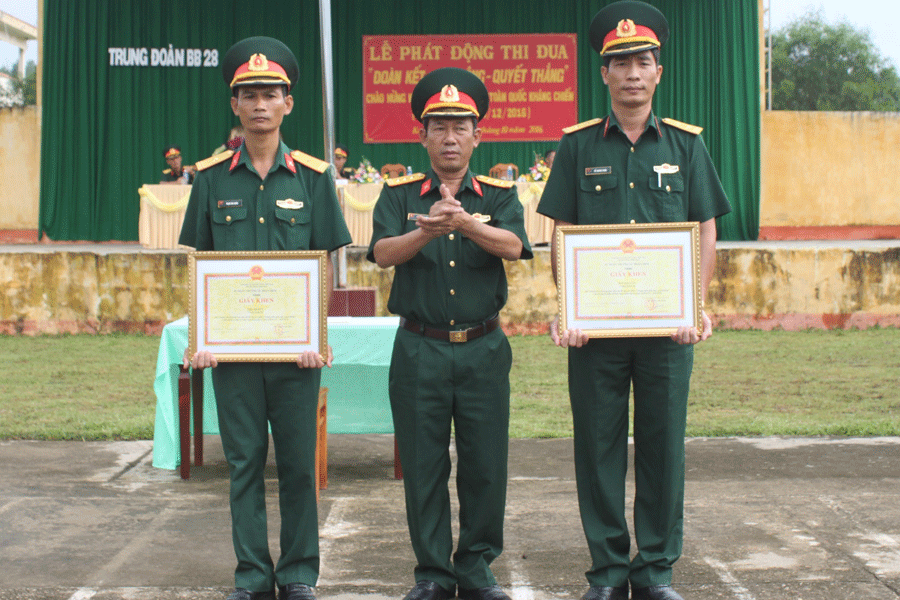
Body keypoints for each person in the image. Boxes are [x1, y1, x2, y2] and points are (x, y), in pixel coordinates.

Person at [536, 3, 732, 600]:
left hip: (666, 334)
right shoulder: (574, 148)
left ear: (658, 72)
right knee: (595, 450)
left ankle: (654, 572)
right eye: (619, 63)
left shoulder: (686, 145)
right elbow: (560, 235)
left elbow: (704, 230)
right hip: (595, 335)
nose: (631, 74)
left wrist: (695, 306)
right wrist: (570, 310)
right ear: (603, 74)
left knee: (662, 448)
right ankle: (606, 571)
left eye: (642, 62)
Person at [178, 36, 352, 600]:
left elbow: (326, 262)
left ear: (288, 103)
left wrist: (314, 333)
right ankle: (252, 576)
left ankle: (299, 573)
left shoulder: (312, 176)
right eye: (248, 94)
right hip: (232, 355)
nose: (259, 104)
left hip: (295, 356)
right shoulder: (209, 179)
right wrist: (202, 337)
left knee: (299, 466)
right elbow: (198, 264)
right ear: (234, 104)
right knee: (244, 465)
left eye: (270, 94)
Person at [367, 67, 532, 600]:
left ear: (477, 135)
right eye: (438, 126)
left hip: (483, 347)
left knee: (485, 463)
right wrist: (426, 228)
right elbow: (381, 254)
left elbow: (514, 247)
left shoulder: (500, 194)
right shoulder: (396, 195)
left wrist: (466, 224)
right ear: (422, 135)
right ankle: (434, 572)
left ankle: (477, 566)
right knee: (422, 464)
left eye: (461, 126)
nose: (450, 136)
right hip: (419, 347)